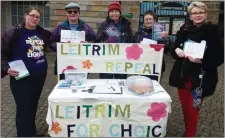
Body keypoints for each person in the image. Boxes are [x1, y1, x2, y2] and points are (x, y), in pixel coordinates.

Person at [169, 2, 224, 137]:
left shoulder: (213, 30)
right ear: (190, 16)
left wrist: (202, 61)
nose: (197, 15)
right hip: (183, 76)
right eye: (194, 13)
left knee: (194, 109)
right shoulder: (185, 29)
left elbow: (220, 57)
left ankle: (190, 134)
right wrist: (176, 50)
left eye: (200, 12)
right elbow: (175, 48)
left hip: (200, 80)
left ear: (205, 13)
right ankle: (188, 131)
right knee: (185, 109)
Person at [1, 7, 51, 137]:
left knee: (33, 105)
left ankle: (31, 132)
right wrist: (6, 68)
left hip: (39, 76)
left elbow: (51, 46)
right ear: (25, 16)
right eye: (32, 15)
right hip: (21, 77)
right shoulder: (14, 32)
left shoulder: (43, 33)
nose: (35, 19)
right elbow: (2, 54)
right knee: (24, 108)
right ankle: (23, 134)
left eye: (37, 17)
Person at [50, 2, 96, 79]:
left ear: (79, 13)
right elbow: (51, 42)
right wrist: (61, 45)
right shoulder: (60, 27)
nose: (72, 13)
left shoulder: (86, 27)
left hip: (81, 61)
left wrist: (87, 44)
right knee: (64, 85)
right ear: (67, 14)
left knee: (81, 84)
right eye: (70, 12)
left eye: (75, 11)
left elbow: (95, 40)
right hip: (64, 62)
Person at [96, 1, 134, 79]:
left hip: (121, 58)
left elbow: (131, 39)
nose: (114, 13)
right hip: (107, 58)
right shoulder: (104, 24)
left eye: (116, 11)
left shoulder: (125, 24)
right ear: (109, 13)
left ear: (120, 13)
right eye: (112, 11)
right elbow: (98, 39)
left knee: (120, 80)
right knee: (106, 80)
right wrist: (106, 41)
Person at [134, 10, 169, 81]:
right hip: (142, 65)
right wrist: (138, 45)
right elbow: (133, 49)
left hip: (156, 65)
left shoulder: (160, 33)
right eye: (146, 19)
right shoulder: (138, 34)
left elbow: (167, 49)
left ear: (154, 20)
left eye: (150, 19)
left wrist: (166, 39)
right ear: (143, 21)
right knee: (141, 86)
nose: (148, 21)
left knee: (155, 87)